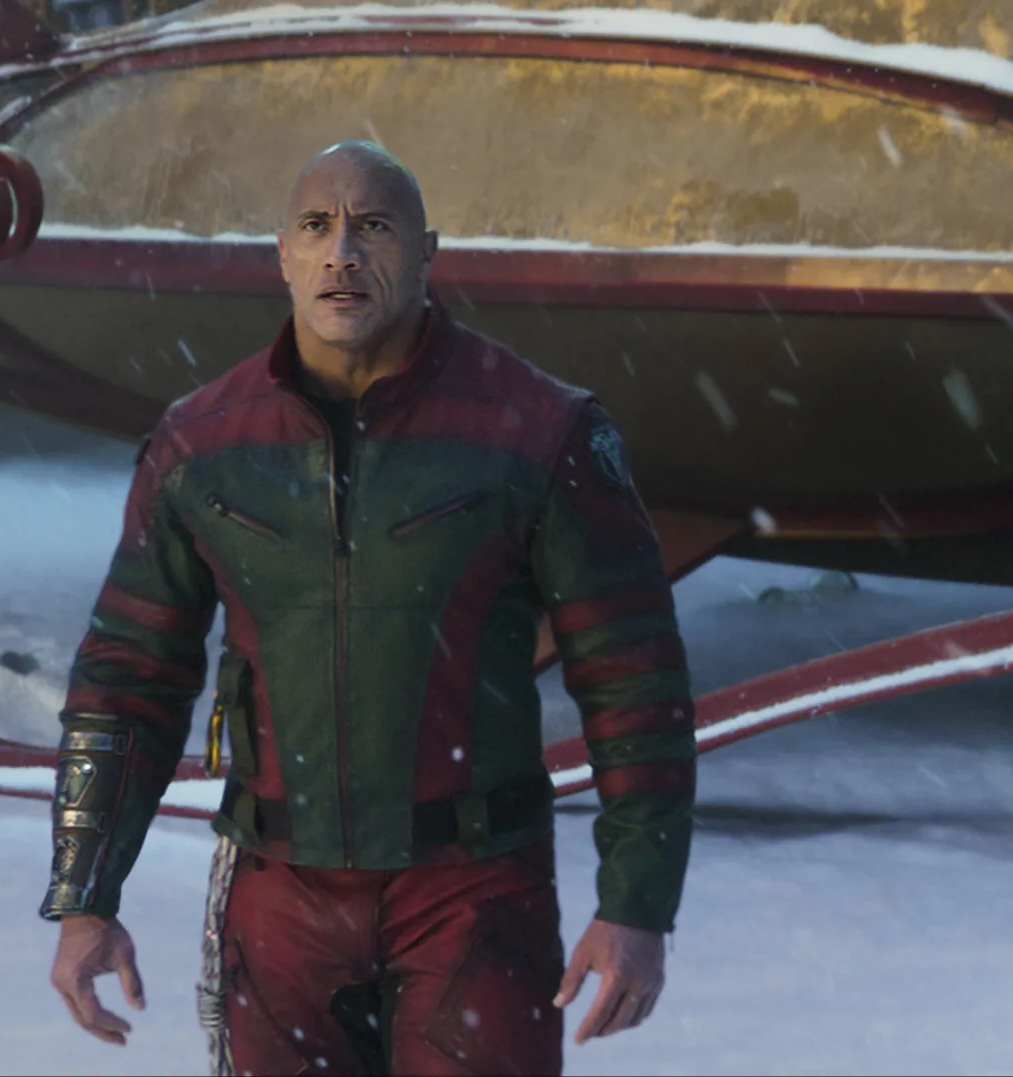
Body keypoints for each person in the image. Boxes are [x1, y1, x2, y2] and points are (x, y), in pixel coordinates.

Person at [40, 141, 698, 1076]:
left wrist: (637, 903)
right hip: (278, 896)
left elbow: (635, 679)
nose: (341, 253)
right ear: (282, 254)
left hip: (473, 894)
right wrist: (83, 898)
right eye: (317, 227)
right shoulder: (201, 443)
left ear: (427, 251)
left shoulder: (538, 430)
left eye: (373, 226)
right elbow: (125, 680)